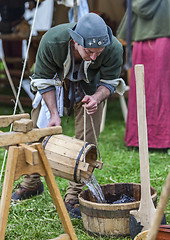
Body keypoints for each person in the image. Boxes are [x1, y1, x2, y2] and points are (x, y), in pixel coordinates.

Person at [12, 12, 126, 218]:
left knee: (87, 141)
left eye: (98, 53)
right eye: (89, 51)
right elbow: (43, 78)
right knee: (38, 130)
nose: (94, 57)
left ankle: (74, 195)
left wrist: (97, 98)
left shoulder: (113, 47)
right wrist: (54, 113)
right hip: (56, 84)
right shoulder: (52, 41)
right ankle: (31, 183)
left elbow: (110, 82)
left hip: (91, 90)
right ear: (75, 41)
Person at [117, 0, 170, 149]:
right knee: (162, 90)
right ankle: (163, 139)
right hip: (164, 39)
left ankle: (139, 139)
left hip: (142, 43)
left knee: (142, 89)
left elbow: (138, 6)